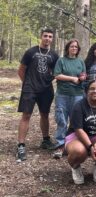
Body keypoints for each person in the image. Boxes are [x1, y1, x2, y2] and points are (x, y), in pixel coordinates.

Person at [16, 28, 59, 161]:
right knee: (26, 115)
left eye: (50, 36)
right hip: (30, 89)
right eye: (45, 36)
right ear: (41, 37)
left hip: (46, 89)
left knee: (44, 114)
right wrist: (27, 84)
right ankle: (21, 145)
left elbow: (57, 72)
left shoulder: (54, 54)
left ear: (52, 39)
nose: (47, 38)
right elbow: (21, 70)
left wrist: (48, 80)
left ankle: (45, 140)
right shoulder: (31, 52)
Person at [65, 80, 96, 184]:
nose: (95, 91)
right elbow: (78, 130)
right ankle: (75, 168)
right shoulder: (78, 106)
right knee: (79, 151)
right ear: (86, 91)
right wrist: (90, 147)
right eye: (92, 89)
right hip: (77, 136)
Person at [52, 39, 86, 157]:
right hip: (63, 94)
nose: (74, 48)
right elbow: (57, 75)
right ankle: (60, 145)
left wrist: (82, 77)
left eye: (76, 47)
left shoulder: (80, 61)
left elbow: (83, 74)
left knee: (76, 120)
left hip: (77, 94)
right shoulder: (61, 61)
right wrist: (72, 78)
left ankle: (73, 143)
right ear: (68, 48)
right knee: (61, 120)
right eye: (72, 46)